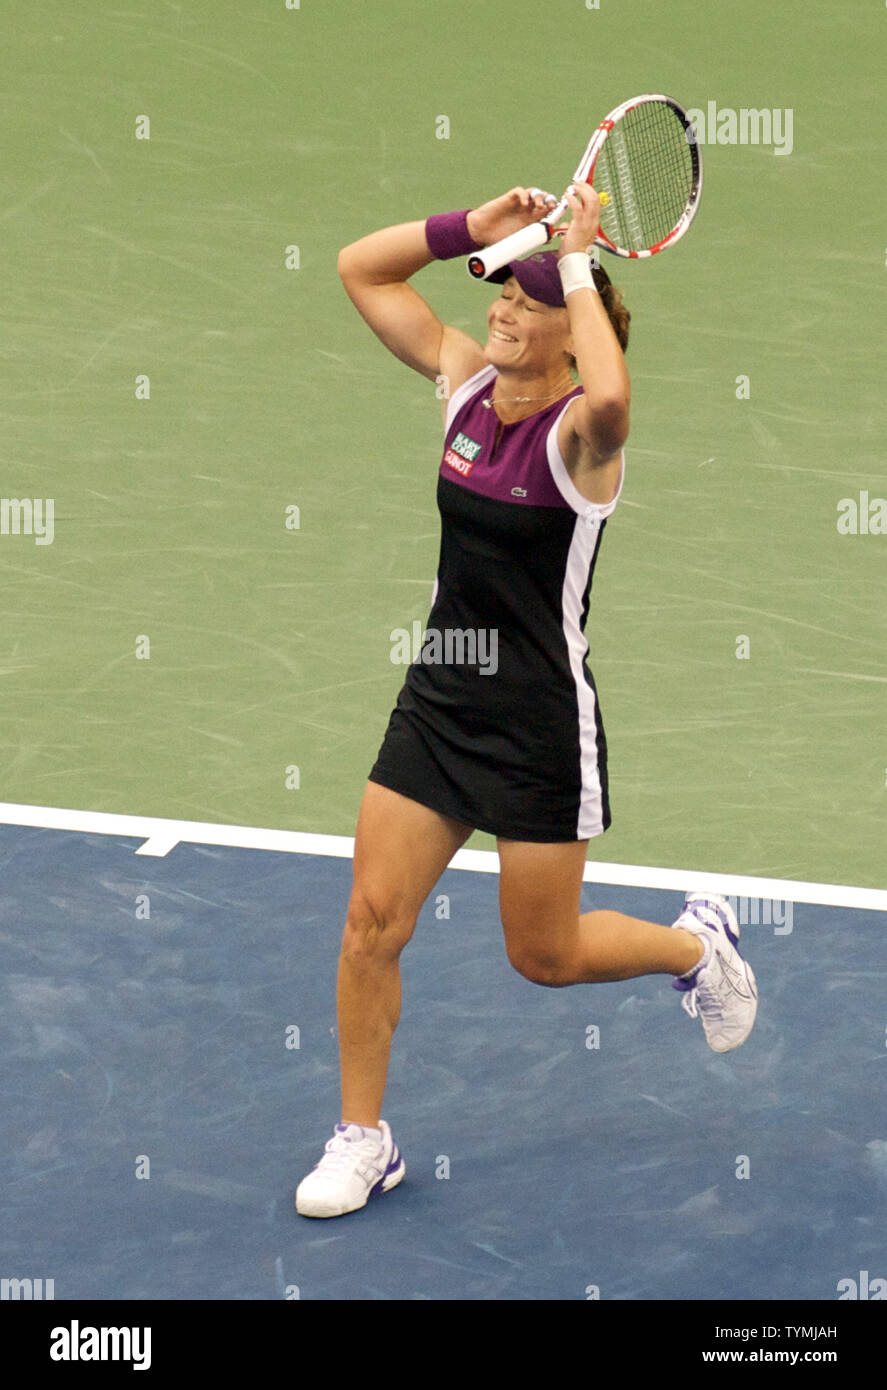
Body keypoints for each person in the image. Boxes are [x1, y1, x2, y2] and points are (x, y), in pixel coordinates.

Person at [295, 185, 757, 1219]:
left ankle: (696, 947)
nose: (501, 308)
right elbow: (359, 267)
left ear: (568, 329)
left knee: (542, 956)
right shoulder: (463, 385)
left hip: (537, 722)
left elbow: (615, 400)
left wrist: (582, 262)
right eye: (500, 290)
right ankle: (363, 1137)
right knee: (370, 923)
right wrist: (474, 222)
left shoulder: (579, 442)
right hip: (438, 701)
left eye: (526, 299)